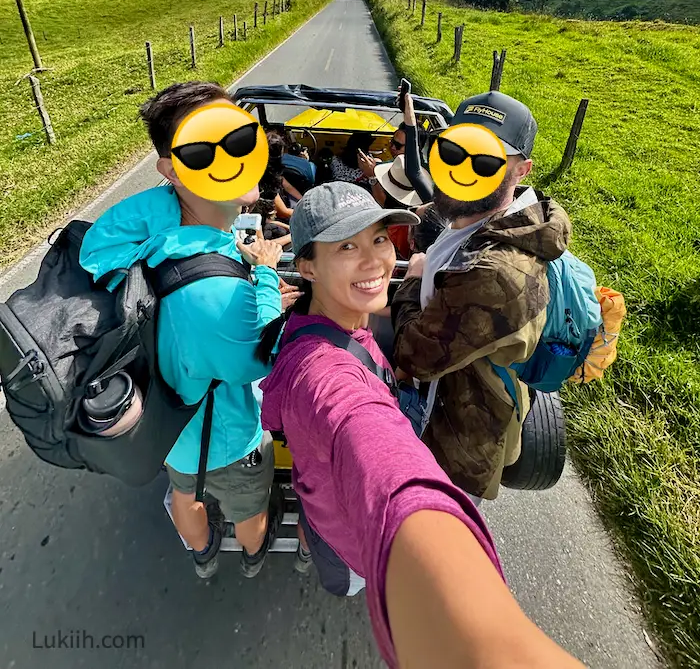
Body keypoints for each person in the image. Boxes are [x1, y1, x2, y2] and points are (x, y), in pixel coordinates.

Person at [257, 182, 583, 669]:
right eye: (346, 246)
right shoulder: (324, 373)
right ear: (306, 265)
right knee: (346, 577)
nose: (373, 261)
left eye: (379, 238)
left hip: (327, 497)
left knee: (320, 528)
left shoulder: (335, 322)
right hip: (350, 542)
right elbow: (372, 441)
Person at [80, 81, 298, 580]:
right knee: (249, 507)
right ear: (171, 169)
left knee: (184, 490)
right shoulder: (211, 294)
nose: (230, 155)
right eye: (204, 148)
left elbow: (101, 241)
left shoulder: (150, 230)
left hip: (169, 428)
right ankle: (250, 555)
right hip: (228, 437)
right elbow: (260, 359)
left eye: (240, 137)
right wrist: (263, 275)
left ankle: (201, 557)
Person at [391, 91, 572, 501]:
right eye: (452, 151)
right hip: (445, 397)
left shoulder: (498, 273)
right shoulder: (487, 221)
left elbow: (413, 356)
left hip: (453, 445)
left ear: (522, 170)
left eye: (486, 161)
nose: (460, 170)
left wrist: (411, 279)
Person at [358, 88, 432, 207]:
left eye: (397, 145)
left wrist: (372, 177)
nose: (391, 147)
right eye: (392, 142)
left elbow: (384, 205)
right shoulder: (398, 162)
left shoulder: (418, 175)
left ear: (414, 149)